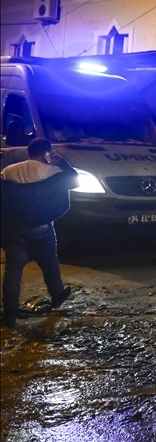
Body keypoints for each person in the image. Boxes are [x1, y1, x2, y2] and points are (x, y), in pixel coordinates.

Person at [0, 138, 77, 328]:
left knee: (13, 270)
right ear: (46, 153)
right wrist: (63, 163)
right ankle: (57, 293)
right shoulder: (52, 172)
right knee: (49, 260)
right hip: (41, 226)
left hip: (12, 229)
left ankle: (9, 312)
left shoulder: (8, 171)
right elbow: (74, 181)